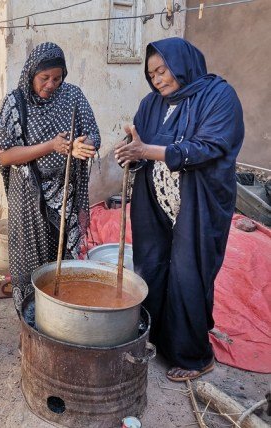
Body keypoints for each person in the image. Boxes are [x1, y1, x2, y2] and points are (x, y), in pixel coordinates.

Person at [114, 38, 244, 381]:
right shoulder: (152, 103)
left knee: (189, 273)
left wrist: (148, 151)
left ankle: (194, 356)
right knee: (152, 265)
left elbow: (210, 146)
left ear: (182, 63)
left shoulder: (218, 96)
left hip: (198, 201)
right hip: (156, 198)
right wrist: (129, 150)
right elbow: (140, 143)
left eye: (162, 70)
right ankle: (158, 338)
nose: (157, 79)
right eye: (151, 74)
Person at [0, 42, 100, 314]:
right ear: (31, 74)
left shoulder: (73, 96)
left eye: (57, 78)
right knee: (30, 260)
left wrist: (81, 144)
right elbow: (5, 155)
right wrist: (51, 146)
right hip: (28, 195)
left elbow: (93, 134)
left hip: (65, 192)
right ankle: (32, 320)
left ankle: (62, 317)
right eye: (45, 78)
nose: (51, 84)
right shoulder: (15, 103)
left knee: (63, 258)